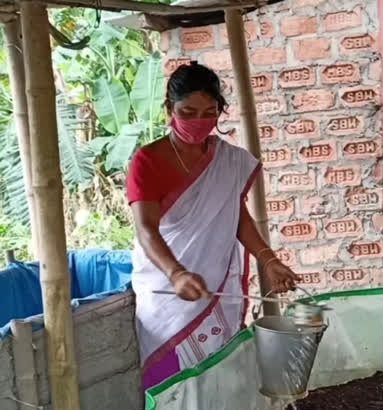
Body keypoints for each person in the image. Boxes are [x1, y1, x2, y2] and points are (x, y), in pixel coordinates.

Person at [127, 62, 299, 390]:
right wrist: (177, 273)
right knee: (174, 391)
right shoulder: (147, 161)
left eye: (209, 112)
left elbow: (237, 217)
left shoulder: (226, 159)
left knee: (222, 383)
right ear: (169, 110)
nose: (198, 122)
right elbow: (146, 229)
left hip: (215, 288)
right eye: (187, 112)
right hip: (168, 294)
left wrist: (270, 260)